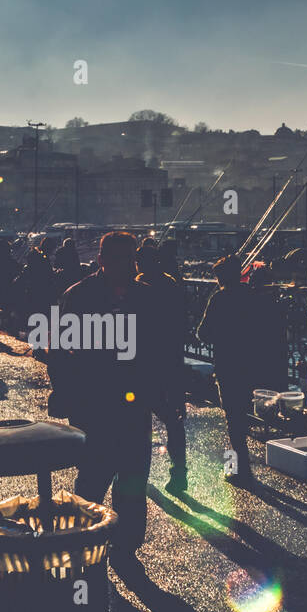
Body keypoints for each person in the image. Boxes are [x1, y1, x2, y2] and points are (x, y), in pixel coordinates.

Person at [48, 232, 155, 555]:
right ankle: (85, 544)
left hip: (135, 404)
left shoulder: (146, 297)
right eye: (121, 258)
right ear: (102, 261)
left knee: (133, 481)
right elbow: (59, 352)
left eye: (130, 258)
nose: (128, 265)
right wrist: (67, 394)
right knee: (93, 479)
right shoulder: (79, 296)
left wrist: (165, 394)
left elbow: (159, 351)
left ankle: (126, 547)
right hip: (94, 405)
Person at [197, 255, 262, 484]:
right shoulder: (253, 296)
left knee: (233, 418)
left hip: (227, 363)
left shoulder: (219, 299)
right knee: (242, 413)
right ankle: (240, 466)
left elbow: (203, 333)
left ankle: (238, 470)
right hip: (252, 363)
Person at [136, 238, 188, 492]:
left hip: (145, 364)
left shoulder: (136, 288)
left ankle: (138, 473)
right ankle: (179, 472)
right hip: (170, 362)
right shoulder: (171, 284)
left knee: (140, 420)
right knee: (173, 420)